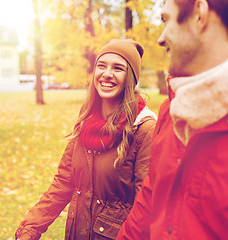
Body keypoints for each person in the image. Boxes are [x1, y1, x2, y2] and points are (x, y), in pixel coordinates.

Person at [117, 0, 228, 239]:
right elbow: (150, 200)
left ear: (200, 14)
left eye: (166, 20)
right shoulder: (173, 108)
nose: (160, 38)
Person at [15, 39, 157, 240]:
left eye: (118, 68)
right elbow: (64, 182)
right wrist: (30, 228)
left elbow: (148, 205)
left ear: (131, 78)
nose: (107, 74)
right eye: (102, 65)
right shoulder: (87, 122)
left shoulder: (144, 129)